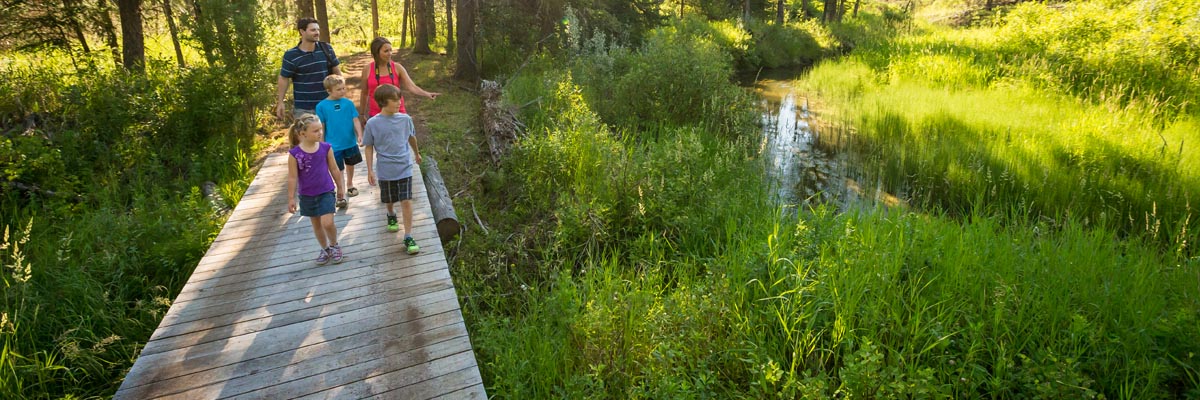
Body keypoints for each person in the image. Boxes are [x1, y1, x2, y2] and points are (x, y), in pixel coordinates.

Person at [363, 84, 422, 255]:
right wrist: (369, 170)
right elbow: (368, 146)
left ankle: (408, 235)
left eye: (399, 99)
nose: (399, 102)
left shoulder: (405, 119)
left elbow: (412, 138)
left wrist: (417, 154)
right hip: (385, 169)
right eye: (394, 100)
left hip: (405, 166)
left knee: (406, 200)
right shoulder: (373, 123)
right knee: (389, 200)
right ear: (382, 102)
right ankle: (390, 213)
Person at [287, 114, 347, 264]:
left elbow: (334, 169)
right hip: (307, 195)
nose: (320, 133)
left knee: (327, 223)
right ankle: (325, 249)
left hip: (326, 191)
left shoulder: (326, 148)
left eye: (320, 129)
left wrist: (340, 187)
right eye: (315, 131)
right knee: (317, 224)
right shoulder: (295, 154)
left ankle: (334, 245)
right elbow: (292, 177)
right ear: (302, 134)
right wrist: (291, 198)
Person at [358, 36, 440, 124]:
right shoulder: (367, 69)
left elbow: (411, 86)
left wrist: (427, 94)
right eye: (386, 51)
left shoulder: (397, 67)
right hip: (376, 115)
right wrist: (362, 114)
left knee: (404, 137)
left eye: (390, 50)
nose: (390, 53)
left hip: (398, 113)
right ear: (376, 53)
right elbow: (364, 93)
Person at [276, 17, 342, 121]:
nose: (317, 33)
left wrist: (340, 95)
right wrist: (280, 102)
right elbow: (284, 78)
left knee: (331, 136)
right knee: (307, 136)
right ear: (302, 32)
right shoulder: (291, 55)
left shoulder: (326, 48)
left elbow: (337, 73)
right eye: (313, 30)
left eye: (318, 29)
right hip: (304, 110)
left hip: (327, 104)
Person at [315, 75, 363, 206]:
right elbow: (322, 126)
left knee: (350, 164)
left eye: (343, 88)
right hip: (333, 145)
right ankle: (340, 194)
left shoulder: (348, 103)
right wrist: (322, 144)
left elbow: (355, 119)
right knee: (338, 169)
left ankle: (350, 184)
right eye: (338, 89)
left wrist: (359, 134)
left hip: (350, 142)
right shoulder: (321, 106)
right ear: (329, 91)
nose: (342, 91)